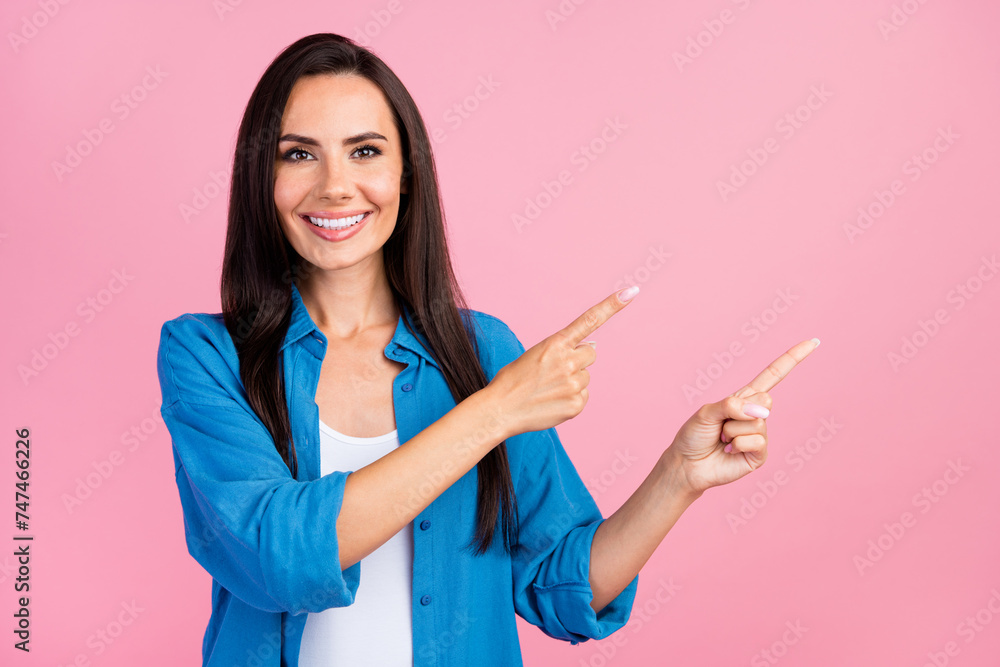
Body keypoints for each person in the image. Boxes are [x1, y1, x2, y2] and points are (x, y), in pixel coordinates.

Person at [156, 33, 820, 667]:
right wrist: (495, 411)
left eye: (365, 151)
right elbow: (277, 557)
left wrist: (678, 476)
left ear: (407, 174)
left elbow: (563, 583)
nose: (335, 185)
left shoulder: (482, 351)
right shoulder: (206, 355)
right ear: (261, 177)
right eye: (299, 154)